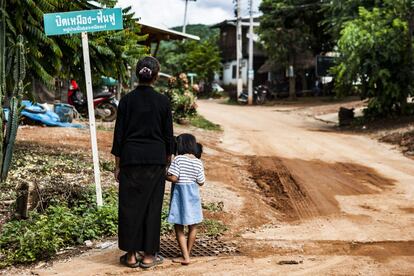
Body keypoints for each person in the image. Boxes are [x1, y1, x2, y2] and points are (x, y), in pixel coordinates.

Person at [111, 56, 174, 269]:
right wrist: (167, 161)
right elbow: (168, 136)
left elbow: (118, 135)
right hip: (155, 160)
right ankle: (148, 256)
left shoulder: (127, 101)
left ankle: (130, 255)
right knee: (152, 207)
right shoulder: (163, 101)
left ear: (137, 75)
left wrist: (118, 165)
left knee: (130, 206)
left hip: (130, 159)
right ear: (155, 76)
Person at [166, 134, 205, 265]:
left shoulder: (178, 159)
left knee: (179, 226)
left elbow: (174, 178)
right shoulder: (198, 162)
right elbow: (201, 182)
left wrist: (164, 174)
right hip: (193, 196)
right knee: (193, 226)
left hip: (180, 197)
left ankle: (186, 257)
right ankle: (187, 253)